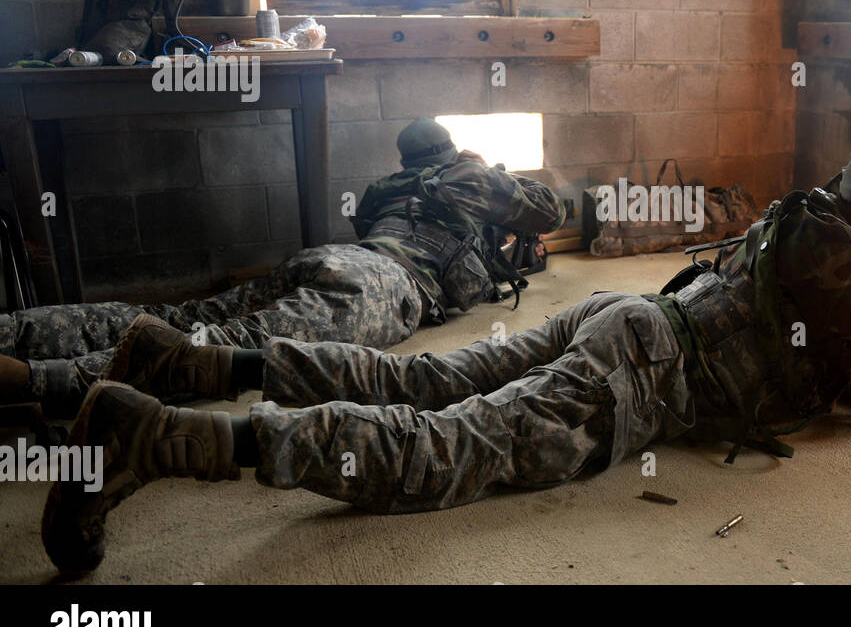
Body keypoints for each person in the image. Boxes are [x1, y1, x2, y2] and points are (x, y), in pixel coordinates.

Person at [42, 139, 851, 573]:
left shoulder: (801, 216)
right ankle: (160, 436)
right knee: (441, 449)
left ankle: (197, 366)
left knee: (423, 376)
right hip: (643, 373)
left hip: (621, 318)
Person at [1, 118, 565, 419]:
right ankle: (48, 382)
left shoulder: (384, 188)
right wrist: (488, 169)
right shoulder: (465, 176)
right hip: (384, 283)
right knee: (233, 346)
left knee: (178, 314)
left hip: (326, 260)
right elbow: (550, 212)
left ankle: (16, 331)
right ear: (450, 149)